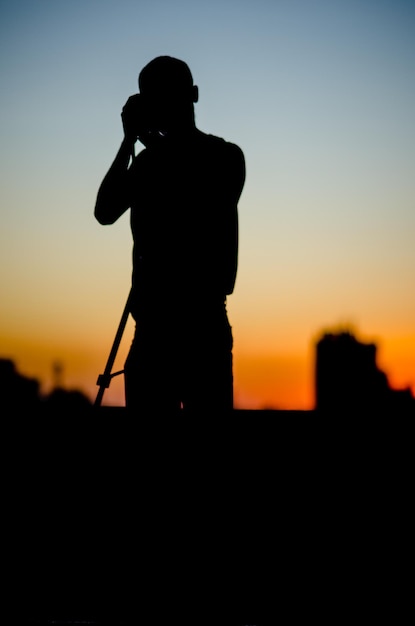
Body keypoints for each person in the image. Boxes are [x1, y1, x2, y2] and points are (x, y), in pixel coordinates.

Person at [94, 55, 246, 413]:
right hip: (152, 332)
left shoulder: (224, 157)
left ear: (192, 95)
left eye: (164, 96)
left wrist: (145, 142)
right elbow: (104, 212)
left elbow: (197, 189)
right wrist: (128, 143)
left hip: (202, 327)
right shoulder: (148, 164)